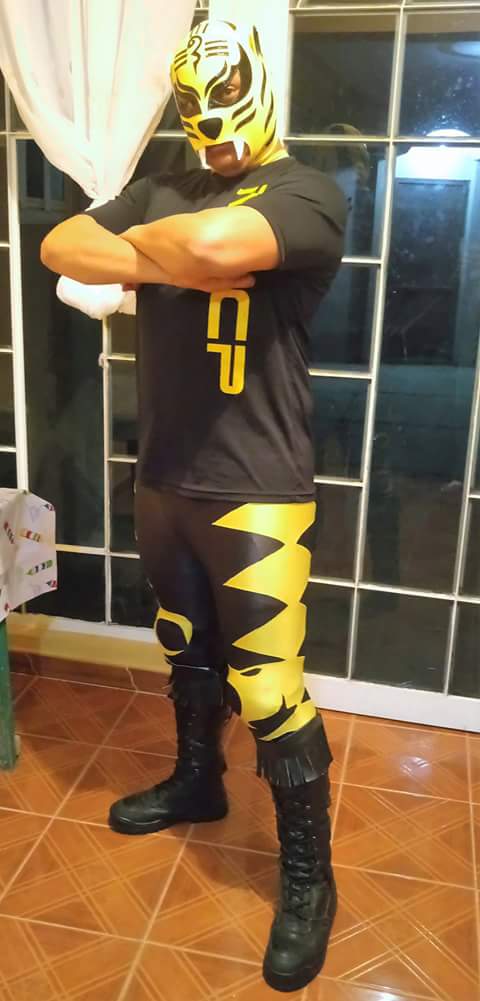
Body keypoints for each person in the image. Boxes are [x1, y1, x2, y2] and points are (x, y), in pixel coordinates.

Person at [41, 19, 347, 993]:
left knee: (268, 684)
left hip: (257, 484)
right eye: (196, 114)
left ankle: (310, 878)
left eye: (225, 108)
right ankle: (197, 780)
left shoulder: (308, 192)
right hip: (166, 473)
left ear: (257, 91)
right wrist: (169, 257)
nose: (212, 132)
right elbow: (62, 244)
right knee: (184, 644)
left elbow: (217, 239)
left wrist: (138, 250)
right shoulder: (162, 186)